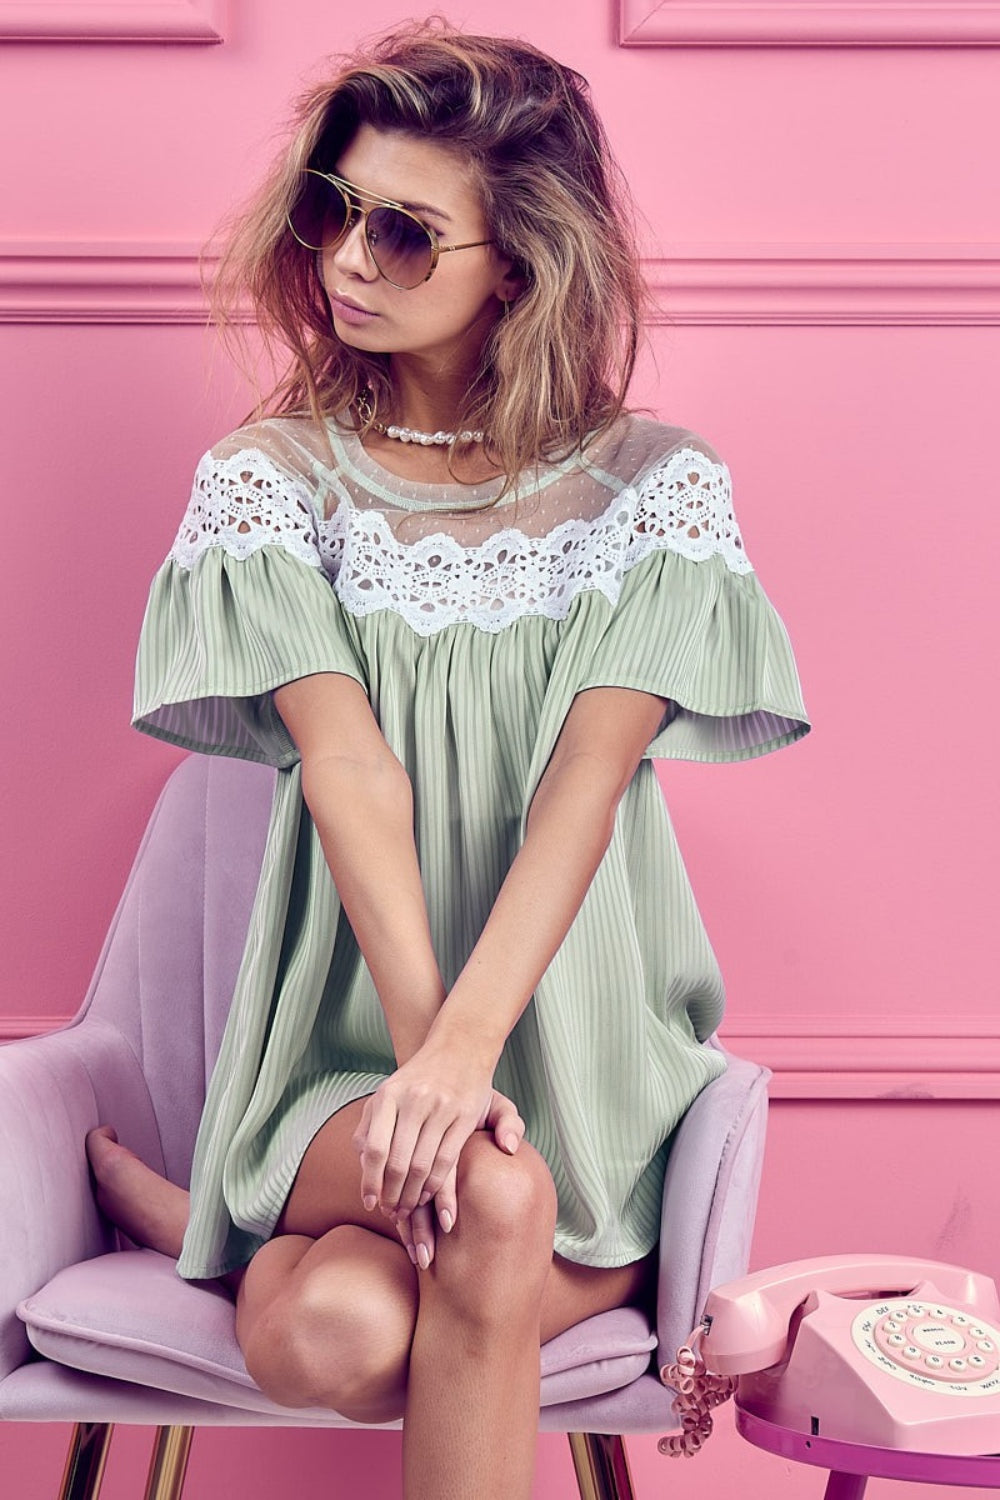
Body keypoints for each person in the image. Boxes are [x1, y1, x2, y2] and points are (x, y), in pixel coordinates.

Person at [86, 20, 809, 1500]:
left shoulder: (654, 490)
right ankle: (532, 1258)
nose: (350, 259)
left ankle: (201, 1234)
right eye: (332, 210)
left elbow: (579, 794)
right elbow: (352, 774)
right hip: (350, 1045)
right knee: (483, 1197)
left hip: (579, 1042)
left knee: (344, 1327)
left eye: (407, 233)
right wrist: (432, 1069)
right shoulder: (268, 480)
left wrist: (476, 1052)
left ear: (521, 265)